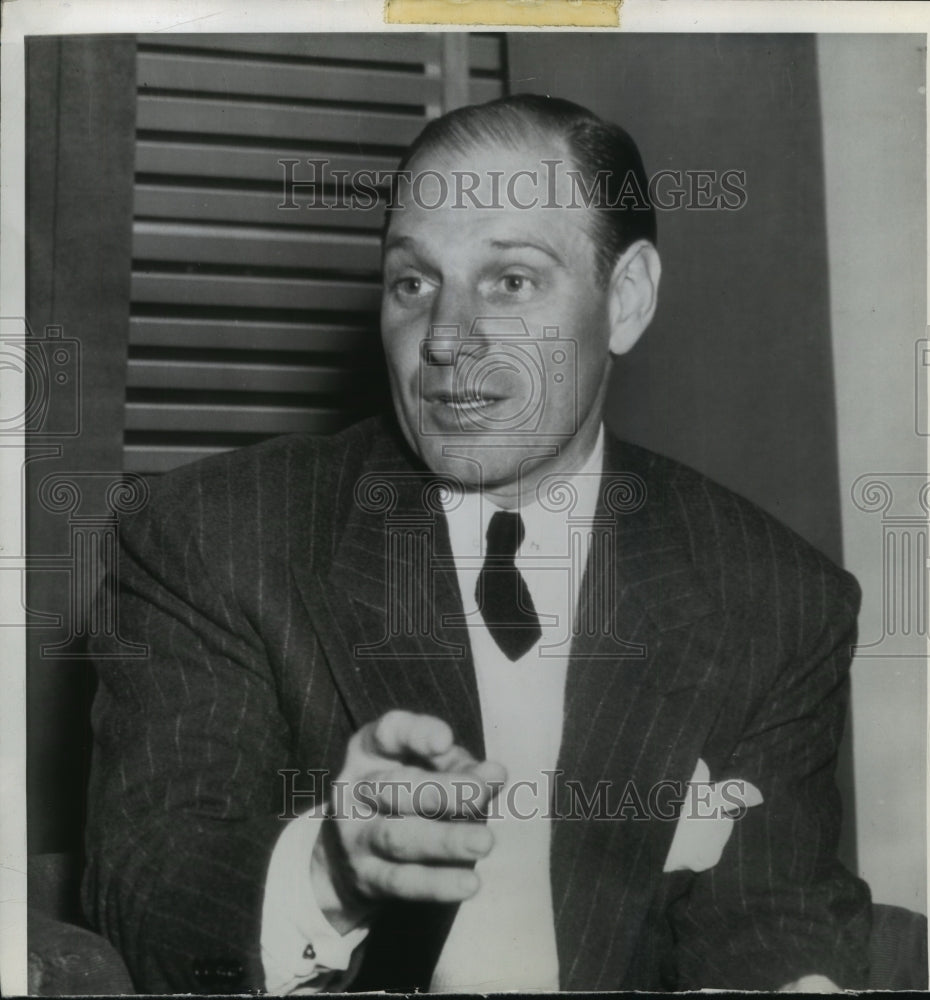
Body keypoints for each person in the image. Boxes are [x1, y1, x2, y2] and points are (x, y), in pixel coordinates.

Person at [83, 95, 871, 993]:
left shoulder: (777, 596)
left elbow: (772, 919)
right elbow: (147, 900)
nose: (447, 341)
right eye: (414, 283)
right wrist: (330, 873)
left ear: (626, 300)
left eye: (511, 281)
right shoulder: (213, 537)